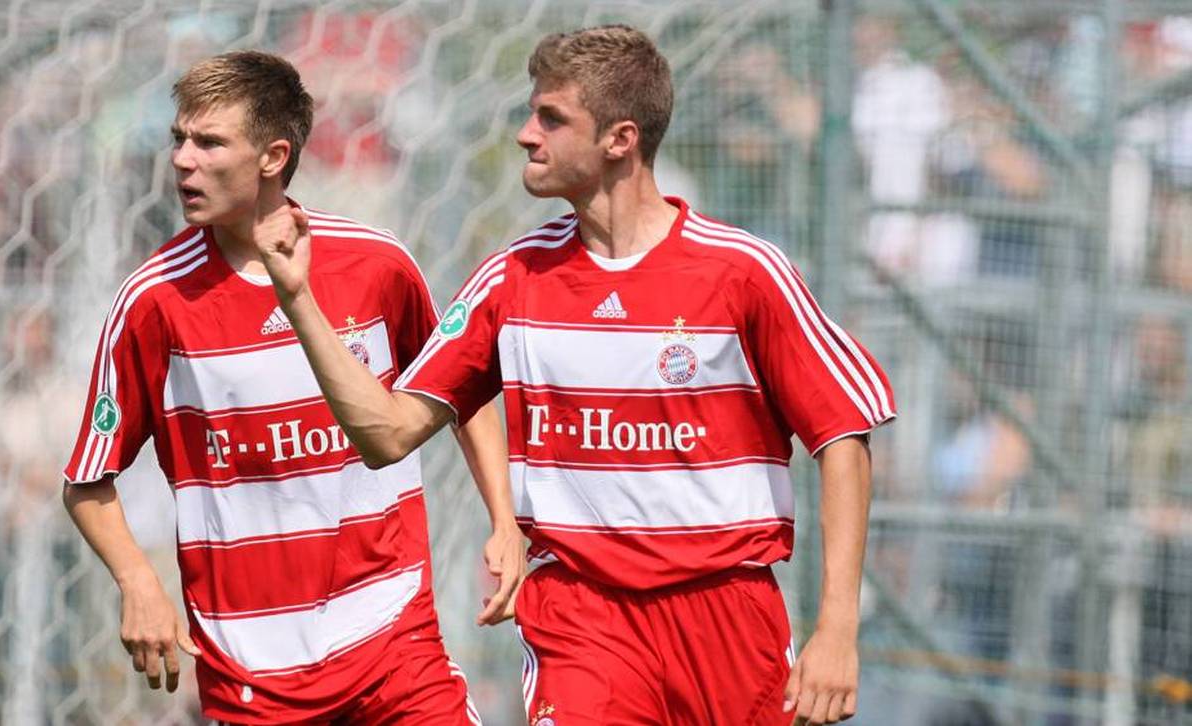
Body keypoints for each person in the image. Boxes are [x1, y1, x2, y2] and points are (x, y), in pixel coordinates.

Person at [256, 27, 896, 725]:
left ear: (620, 139)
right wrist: (298, 299)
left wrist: (837, 631)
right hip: (581, 618)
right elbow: (388, 433)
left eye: (551, 119)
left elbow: (843, 436)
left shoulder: (742, 272)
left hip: (729, 617)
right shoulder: (513, 278)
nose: (527, 135)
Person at [61, 50, 520, 725]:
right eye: (178, 139)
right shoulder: (153, 301)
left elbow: (460, 390)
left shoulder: (376, 265)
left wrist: (504, 520)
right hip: (254, 672)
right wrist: (137, 579)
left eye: (209, 141)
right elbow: (87, 479)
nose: (183, 160)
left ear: (273, 157)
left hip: (393, 644)